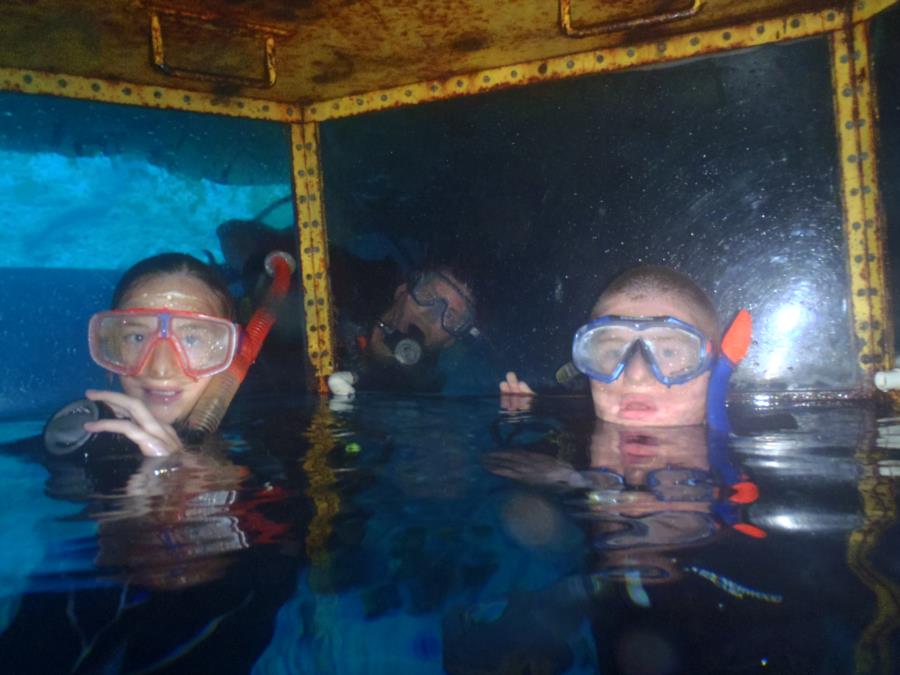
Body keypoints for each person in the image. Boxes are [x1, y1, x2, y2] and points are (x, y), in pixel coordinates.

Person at [500, 264, 721, 427]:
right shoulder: (564, 452)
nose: (636, 374)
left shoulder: (736, 472)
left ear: (716, 369)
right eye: (614, 351)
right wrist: (529, 428)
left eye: (669, 352)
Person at [82, 253, 239, 457]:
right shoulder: (84, 441)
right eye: (137, 337)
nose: (161, 369)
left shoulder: (262, 443)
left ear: (228, 353)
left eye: (191, 339)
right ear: (112, 349)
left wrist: (177, 474)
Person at [329, 263, 480, 395]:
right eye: (428, 295)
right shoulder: (336, 318)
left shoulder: (429, 398)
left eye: (450, 317)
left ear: (450, 341)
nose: (430, 315)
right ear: (401, 292)